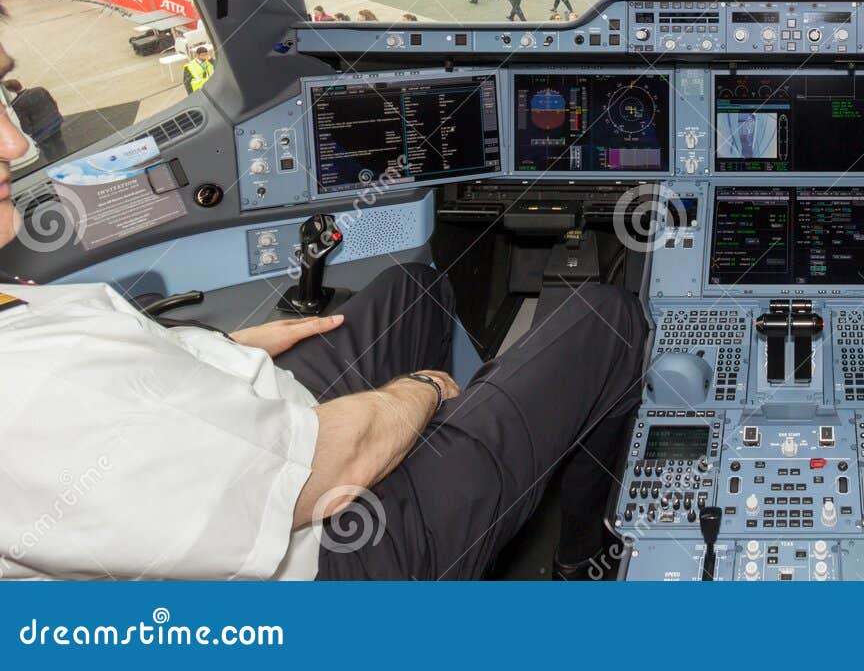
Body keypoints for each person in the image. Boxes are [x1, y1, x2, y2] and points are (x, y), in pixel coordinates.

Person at [0, 36, 648, 581]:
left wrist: (220, 351)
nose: (13, 141)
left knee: (411, 291)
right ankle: (578, 557)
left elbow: (129, 397)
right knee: (606, 319)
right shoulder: (31, 385)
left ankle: (467, 441)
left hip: (244, 444)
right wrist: (418, 392)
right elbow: (314, 469)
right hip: (324, 557)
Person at [4, 76, 65, 162]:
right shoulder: (39, 89)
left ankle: (55, 164)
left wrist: (28, 132)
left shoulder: (17, 103)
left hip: (40, 130)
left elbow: (24, 120)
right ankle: (66, 158)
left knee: (49, 151)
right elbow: (53, 102)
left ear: (10, 90)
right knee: (59, 142)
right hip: (54, 121)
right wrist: (55, 115)